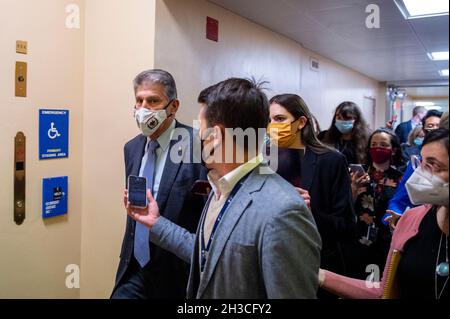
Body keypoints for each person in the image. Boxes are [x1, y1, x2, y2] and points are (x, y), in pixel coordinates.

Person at [125, 78, 322, 298]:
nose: (197, 136)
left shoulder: (284, 211)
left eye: (200, 127)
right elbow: (208, 255)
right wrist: (155, 223)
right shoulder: (221, 188)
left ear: (215, 136)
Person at [319, 128, 449, 299]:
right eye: (422, 163)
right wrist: (318, 275)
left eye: (434, 165)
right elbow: (384, 291)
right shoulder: (411, 221)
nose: (421, 174)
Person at [111, 69, 207, 299]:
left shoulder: (198, 145)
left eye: (153, 101)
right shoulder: (132, 148)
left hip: (176, 272)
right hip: (134, 268)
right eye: (139, 100)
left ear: (173, 107)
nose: (144, 108)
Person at [266, 94, 356, 277]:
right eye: (269, 120)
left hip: (315, 264)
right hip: (273, 260)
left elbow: (346, 226)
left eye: (280, 119)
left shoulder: (331, 161)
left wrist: (309, 210)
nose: (272, 125)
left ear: (300, 122)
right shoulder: (264, 161)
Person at [345, 129, 404, 279]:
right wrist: (353, 188)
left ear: (393, 149)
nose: (378, 148)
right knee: (358, 283)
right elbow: (344, 206)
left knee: (380, 284)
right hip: (358, 238)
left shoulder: (401, 179)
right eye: (374, 144)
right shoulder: (356, 173)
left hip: (387, 241)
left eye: (383, 145)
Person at [384, 110, 443, 226]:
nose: (435, 131)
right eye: (430, 127)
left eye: (439, 127)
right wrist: (395, 217)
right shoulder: (417, 162)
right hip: (422, 224)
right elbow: (401, 198)